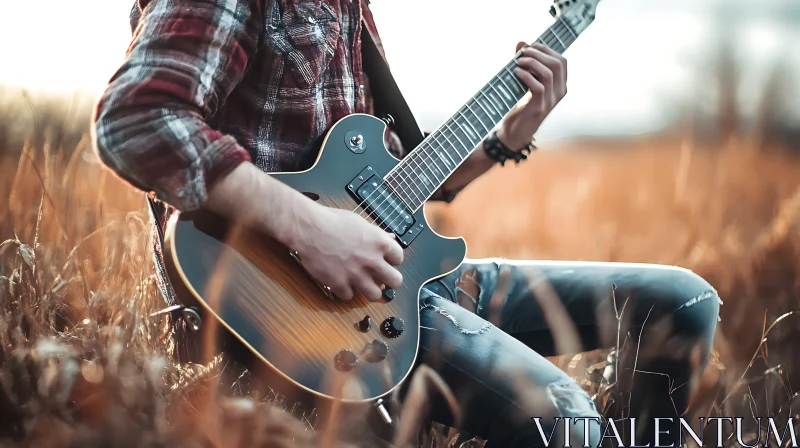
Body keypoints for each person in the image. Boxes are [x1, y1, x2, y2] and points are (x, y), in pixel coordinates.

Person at [92, 0, 721, 446]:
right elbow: (135, 120)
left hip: (401, 280)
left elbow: (402, 188)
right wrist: (312, 232)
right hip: (294, 310)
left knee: (685, 301)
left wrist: (506, 139)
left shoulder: (349, 11)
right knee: (569, 420)